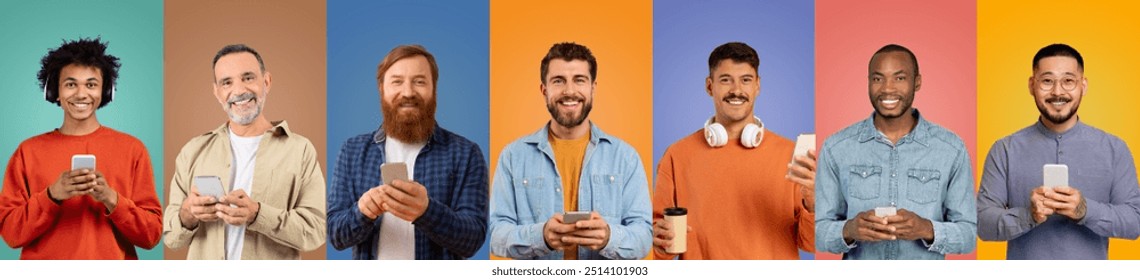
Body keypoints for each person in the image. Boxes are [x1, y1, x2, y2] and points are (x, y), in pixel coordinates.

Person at [0, 38, 162, 259]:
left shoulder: (133, 149)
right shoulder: (27, 152)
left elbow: (151, 236)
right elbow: (10, 234)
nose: (81, 94)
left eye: (91, 84)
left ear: (105, 91)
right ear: (54, 91)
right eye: (70, 84)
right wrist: (52, 195)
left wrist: (110, 198)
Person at [489, 42, 652, 260]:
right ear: (544, 90)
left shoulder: (626, 157)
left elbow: (644, 236)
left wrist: (609, 238)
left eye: (579, 80)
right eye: (558, 81)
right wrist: (541, 237)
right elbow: (495, 234)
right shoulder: (512, 157)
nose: (569, 91)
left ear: (593, 88)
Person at [976, 43, 1140, 259]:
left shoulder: (1114, 149)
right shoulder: (1005, 150)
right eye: (1047, 81)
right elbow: (982, 224)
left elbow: (1134, 222)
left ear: (1083, 85)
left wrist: (1085, 210)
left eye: (1068, 81)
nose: (1057, 91)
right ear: (1031, 85)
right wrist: (1029, 215)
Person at [162, 44, 326, 259]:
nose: (238, 91)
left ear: (266, 82)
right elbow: (171, 238)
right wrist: (188, 214)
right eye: (227, 82)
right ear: (218, 92)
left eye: (248, 78)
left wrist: (258, 214)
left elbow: (317, 230)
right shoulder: (193, 151)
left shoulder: (300, 150)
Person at [652, 42, 814, 259]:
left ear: (757, 85)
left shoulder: (792, 156)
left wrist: (813, 205)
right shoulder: (677, 155)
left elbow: (810, 244)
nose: (736, 90)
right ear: (710, 86)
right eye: (726, 80)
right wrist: (660, 239)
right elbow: (659, 249)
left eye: (745, 80)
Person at [815, 44, 976, 259]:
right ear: (868, 82)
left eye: (899, 78)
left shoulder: (951, 149)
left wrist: (926, 229)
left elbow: (968, 235)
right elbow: (817, 231)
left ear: (917, 82)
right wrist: (849, 231)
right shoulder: (836, 148)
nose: (887, 89)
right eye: (878, 78)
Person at [327, 45, 488, 259]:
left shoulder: (466, 154)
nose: (408, 92)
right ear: (382, 89)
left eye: (419, 81)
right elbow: (335, 235)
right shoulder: (352, 151)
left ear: (434, 89)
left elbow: (473, 239)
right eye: (397, 81)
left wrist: (427, 211)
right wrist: (363, 211)